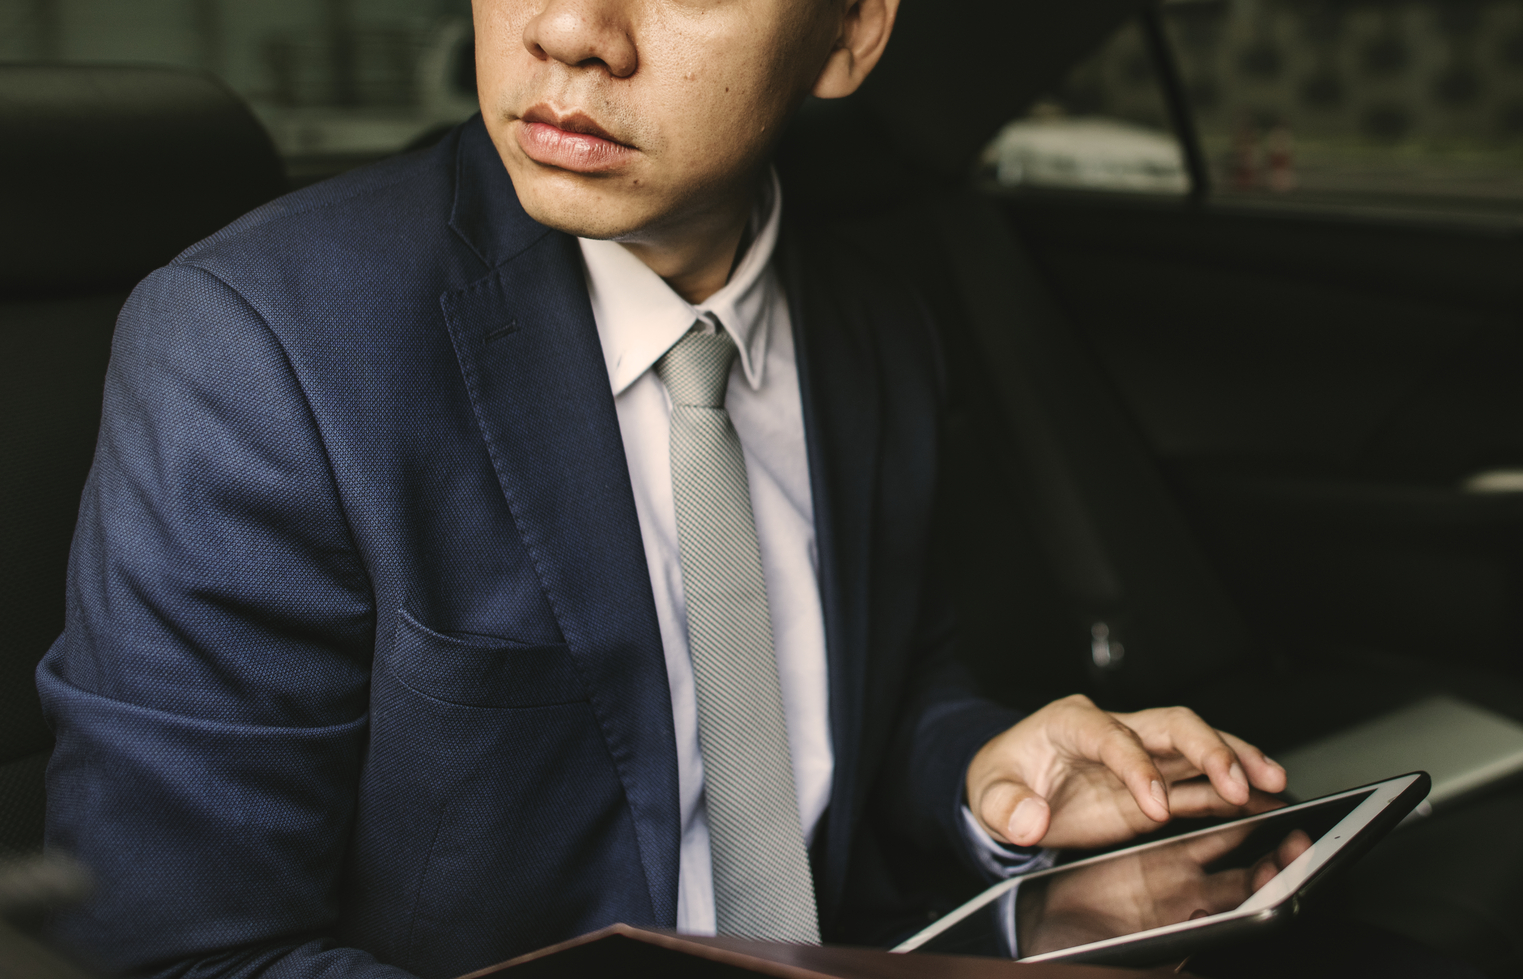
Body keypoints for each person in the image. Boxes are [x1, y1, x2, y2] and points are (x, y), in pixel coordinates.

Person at [35, 2, 1295, 976]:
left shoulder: (873, 328)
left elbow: (879, 688)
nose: (569, 29)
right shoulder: (264, 349)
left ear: (849, 36)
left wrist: (981, 782)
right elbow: (176, 955)